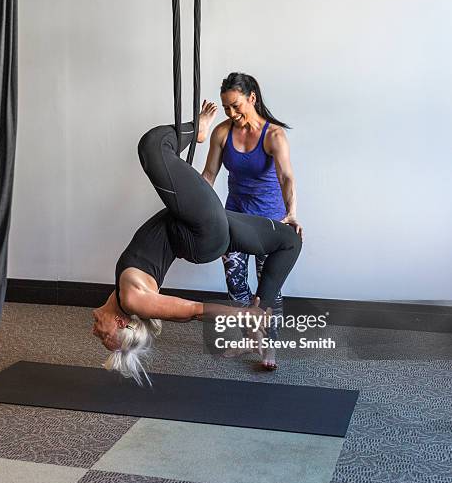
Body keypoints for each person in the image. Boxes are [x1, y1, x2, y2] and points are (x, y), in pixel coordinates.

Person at [92, 105, 302, 384]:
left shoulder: (124, 297)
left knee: (289, 240)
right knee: (152, 146)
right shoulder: (133, 300)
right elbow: (193, 311)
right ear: (119, 323)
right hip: (199, 232)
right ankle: (198, 129)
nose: (95, 332)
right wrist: (242, 315)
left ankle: (261, 305)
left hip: (198, 231)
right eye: (104, 336)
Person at [202, 73, 302, 370]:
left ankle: (269, 346)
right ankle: (249, 337)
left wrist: (292, 212)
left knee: (268, 288)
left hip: (268, 224)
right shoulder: (222, 132)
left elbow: (286, 177)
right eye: (226, 108)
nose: (231, 113)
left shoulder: (274, 136)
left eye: (236, 106)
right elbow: (208, 177)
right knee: (235, 284)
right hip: (232, 220)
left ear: (252, 98)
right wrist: (199, 211)